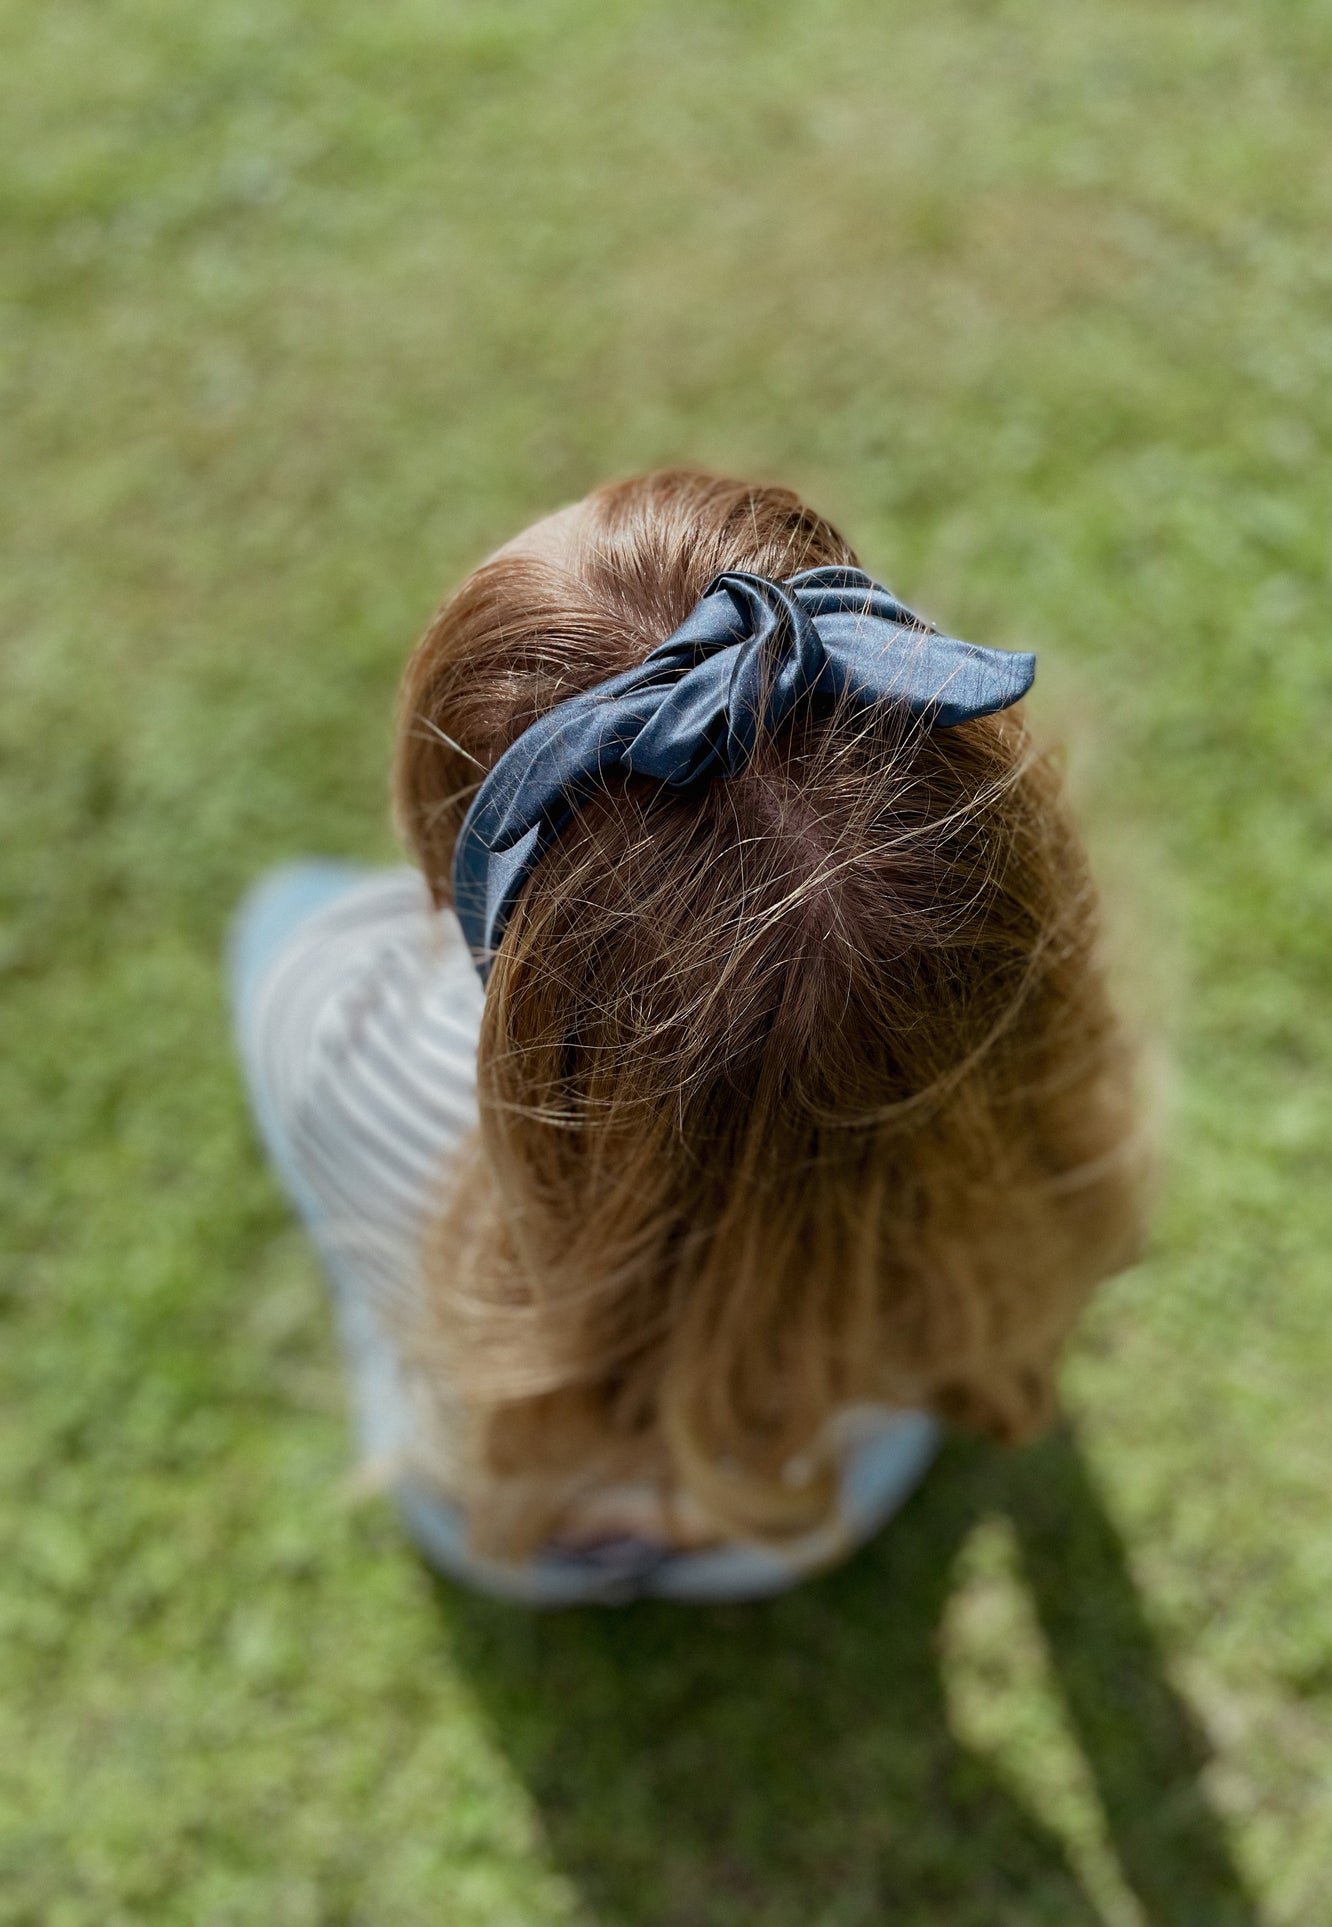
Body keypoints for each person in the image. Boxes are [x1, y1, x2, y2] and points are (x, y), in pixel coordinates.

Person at [229, 468, 1147, 1606]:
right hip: (817, 1504)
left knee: (279, 907)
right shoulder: (1036, 1126)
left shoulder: (339, 1031)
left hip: (514, 1523)